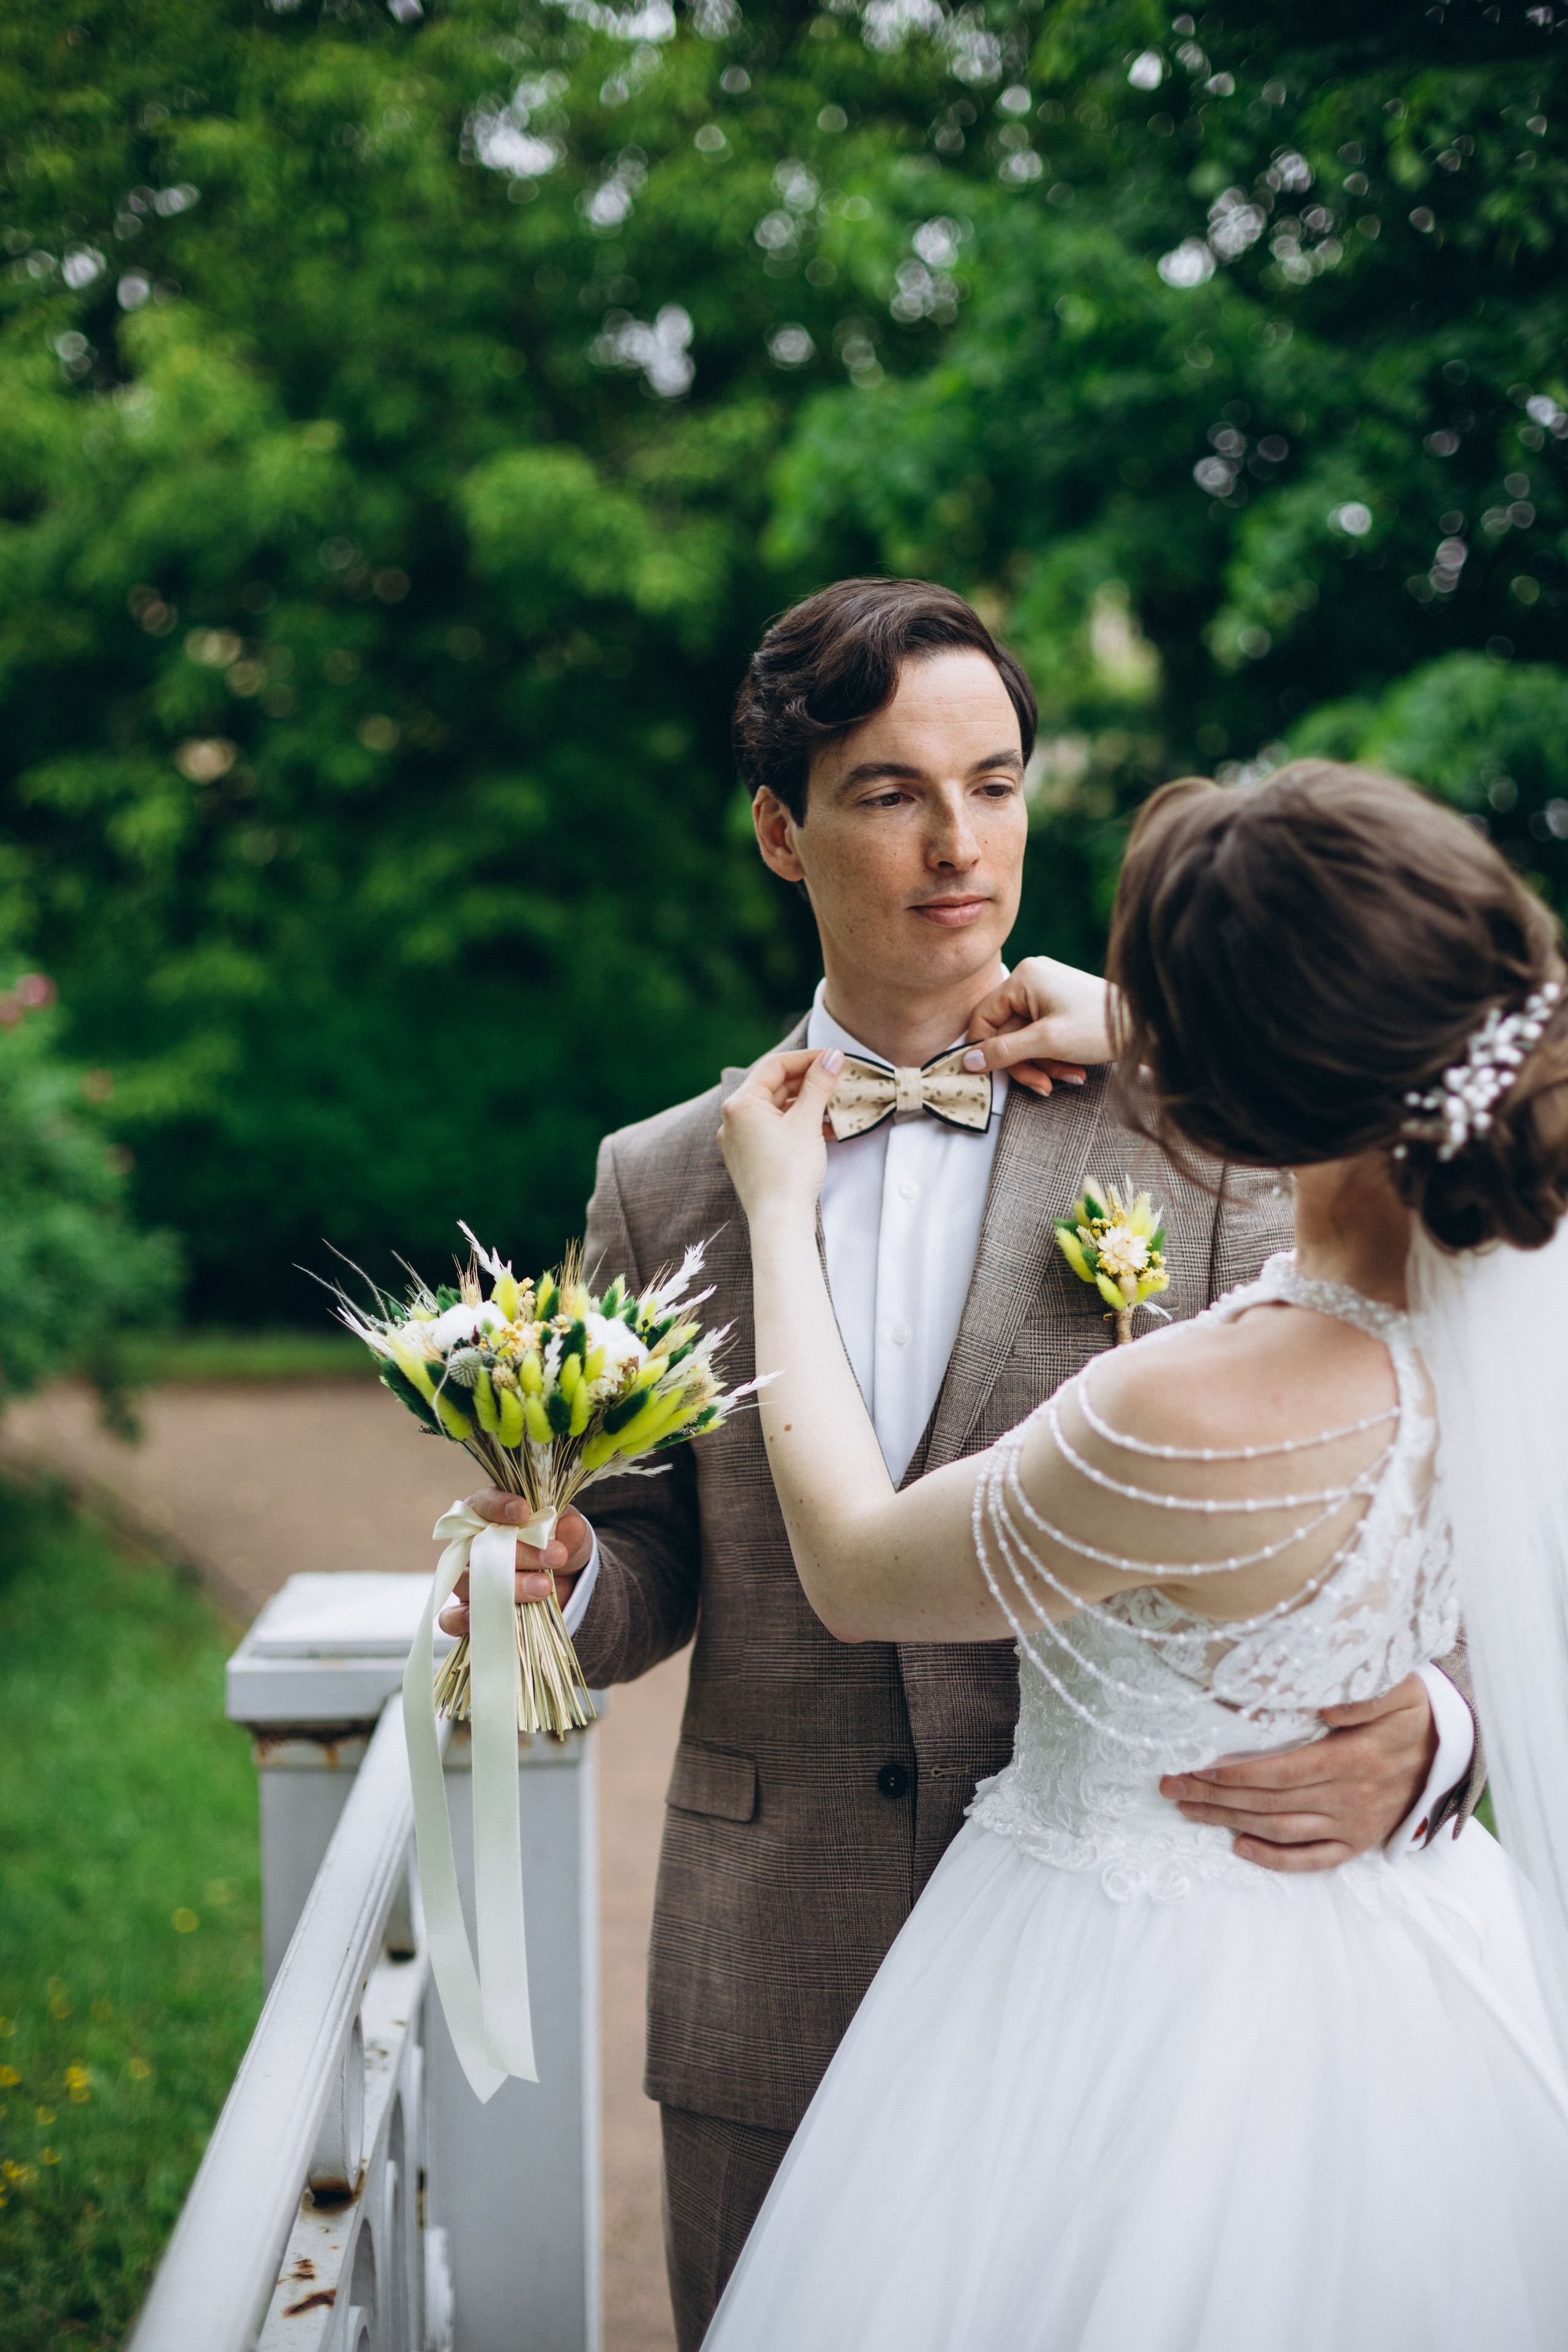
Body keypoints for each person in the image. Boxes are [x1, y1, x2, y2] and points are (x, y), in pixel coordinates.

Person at [443, 586, 1479, 2346]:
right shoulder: (668, 1179)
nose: (959, 847)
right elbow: (650, 1560)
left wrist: (1436, 1727)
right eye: (889, 793)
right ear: (780, 830)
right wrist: (562, 1587)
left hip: (1150, 1986)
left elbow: (1409, 1467)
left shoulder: (1207, 1123)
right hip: (782, 1962)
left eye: (995, 784)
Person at [704, 758, 1568, 2350]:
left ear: (1210, 1095)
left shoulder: (1185, 1412)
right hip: (1418, 1975)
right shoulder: (1524, 1281)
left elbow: (849, 1562)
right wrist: (1155, 1025)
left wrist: (776, 1218)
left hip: (1108, 2010)